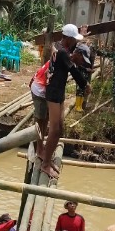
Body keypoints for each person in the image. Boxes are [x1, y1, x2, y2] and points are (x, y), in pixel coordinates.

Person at [38, 24, 91, 179]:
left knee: (60, 128)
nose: (75, 42)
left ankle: (48, 159)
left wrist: (82, 36)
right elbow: (73, 70)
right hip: (53, 92)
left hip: (59, 91)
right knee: (54, 129)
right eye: (74, 39)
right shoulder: (61, 52)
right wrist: (85, 84)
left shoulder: (62, 48)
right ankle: (45, 164)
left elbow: (74, 58)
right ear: (68, 39)